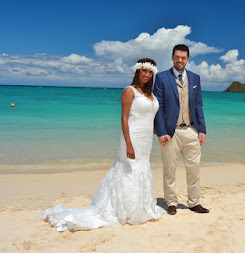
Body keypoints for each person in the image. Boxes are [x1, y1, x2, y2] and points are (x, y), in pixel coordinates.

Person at [39, 58, 165, 231]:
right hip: (132, 138)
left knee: (141, 168)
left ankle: (139, 207)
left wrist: (161, 133)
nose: (147, 74)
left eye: (150, 72)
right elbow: (124, 118)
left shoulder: (151, 95)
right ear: (138, 72)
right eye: (144, 70)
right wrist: (128, 143)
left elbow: (150, 120)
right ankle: (123, 209)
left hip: (146, 141)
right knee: (128, 169)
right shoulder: (130, 91)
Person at [154, 44, 209, 215]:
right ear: (172, 57)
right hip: (171, 132)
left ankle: (194, 202)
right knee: (169, 170)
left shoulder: (195, 78)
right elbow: (158, 107)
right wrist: (161, 131)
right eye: (177, 57)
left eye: (183, 57)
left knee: (194, 169)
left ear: (187, 59)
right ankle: (171, 202)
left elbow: (198, 105)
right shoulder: (162, 78)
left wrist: (202, 129)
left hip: (192, 130)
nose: (180, 60)